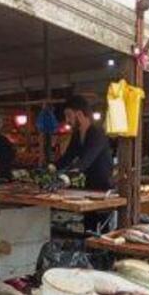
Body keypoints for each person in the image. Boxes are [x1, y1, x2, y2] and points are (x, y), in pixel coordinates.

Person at [55, 95, 115, 233]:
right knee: (88, 228)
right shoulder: (77, 134)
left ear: (80, 114)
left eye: (69, 115)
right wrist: (51, 168)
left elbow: (85, 161)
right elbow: (68, 156)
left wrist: (64, 178)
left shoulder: (97, 133)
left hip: (103, 189)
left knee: (103, 230)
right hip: (88, 188)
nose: (67, 120)